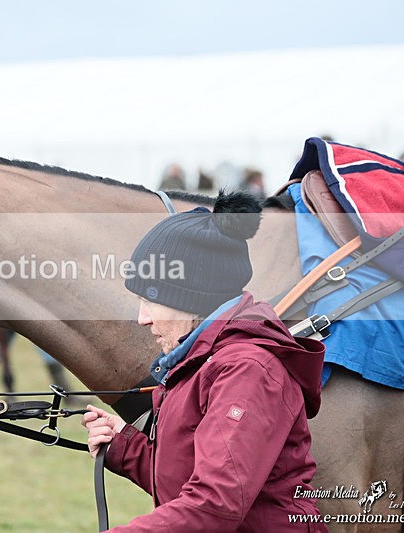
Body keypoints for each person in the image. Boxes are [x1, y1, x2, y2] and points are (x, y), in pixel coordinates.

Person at [82, 191, 327, 531]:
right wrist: (124, 446)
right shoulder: (203, 359)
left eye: (150, 301)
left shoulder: (248, 370)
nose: (142, 319)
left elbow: (214, 505)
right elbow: (187, 476)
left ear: (190, 300)